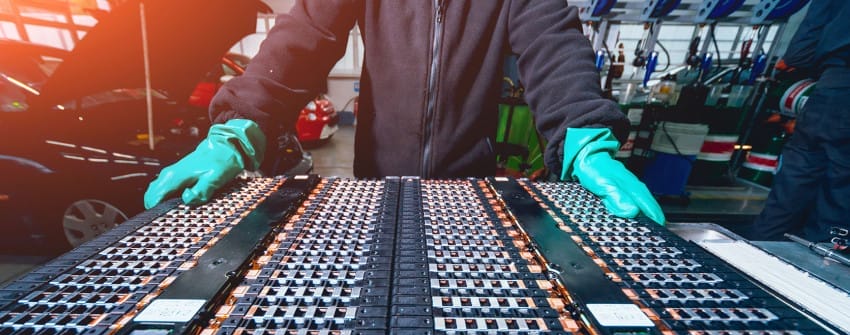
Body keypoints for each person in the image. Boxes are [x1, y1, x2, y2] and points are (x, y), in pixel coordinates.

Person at [143, 1, 665, 225]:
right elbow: (301, 39)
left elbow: (553, 44)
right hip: (378, 187)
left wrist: (584, 134)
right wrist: (239, 125)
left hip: (468, 194)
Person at [751, 1, 850, 241]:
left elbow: (800, 52)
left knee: (793, 182)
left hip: (830, 89)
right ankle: (821, 265)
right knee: (840, 194)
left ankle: (756, 255)